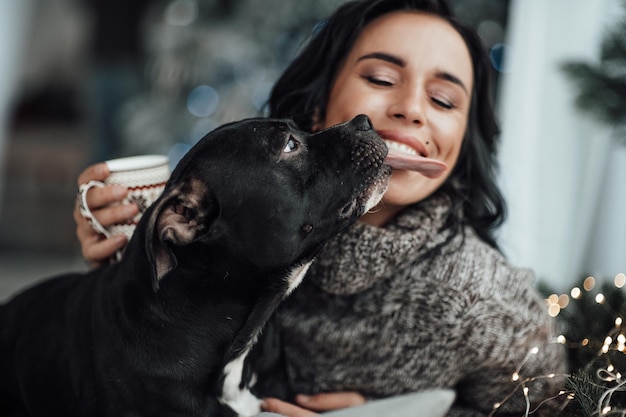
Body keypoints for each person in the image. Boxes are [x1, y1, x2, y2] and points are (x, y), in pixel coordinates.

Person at [74, 0, 567, 416]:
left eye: (442, 100)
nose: (411, 108)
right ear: (316, 107)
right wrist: (118, 252)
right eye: (379, 77)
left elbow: (556, 406)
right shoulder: (236, 226)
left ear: (460, 147)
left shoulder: (485, 301)